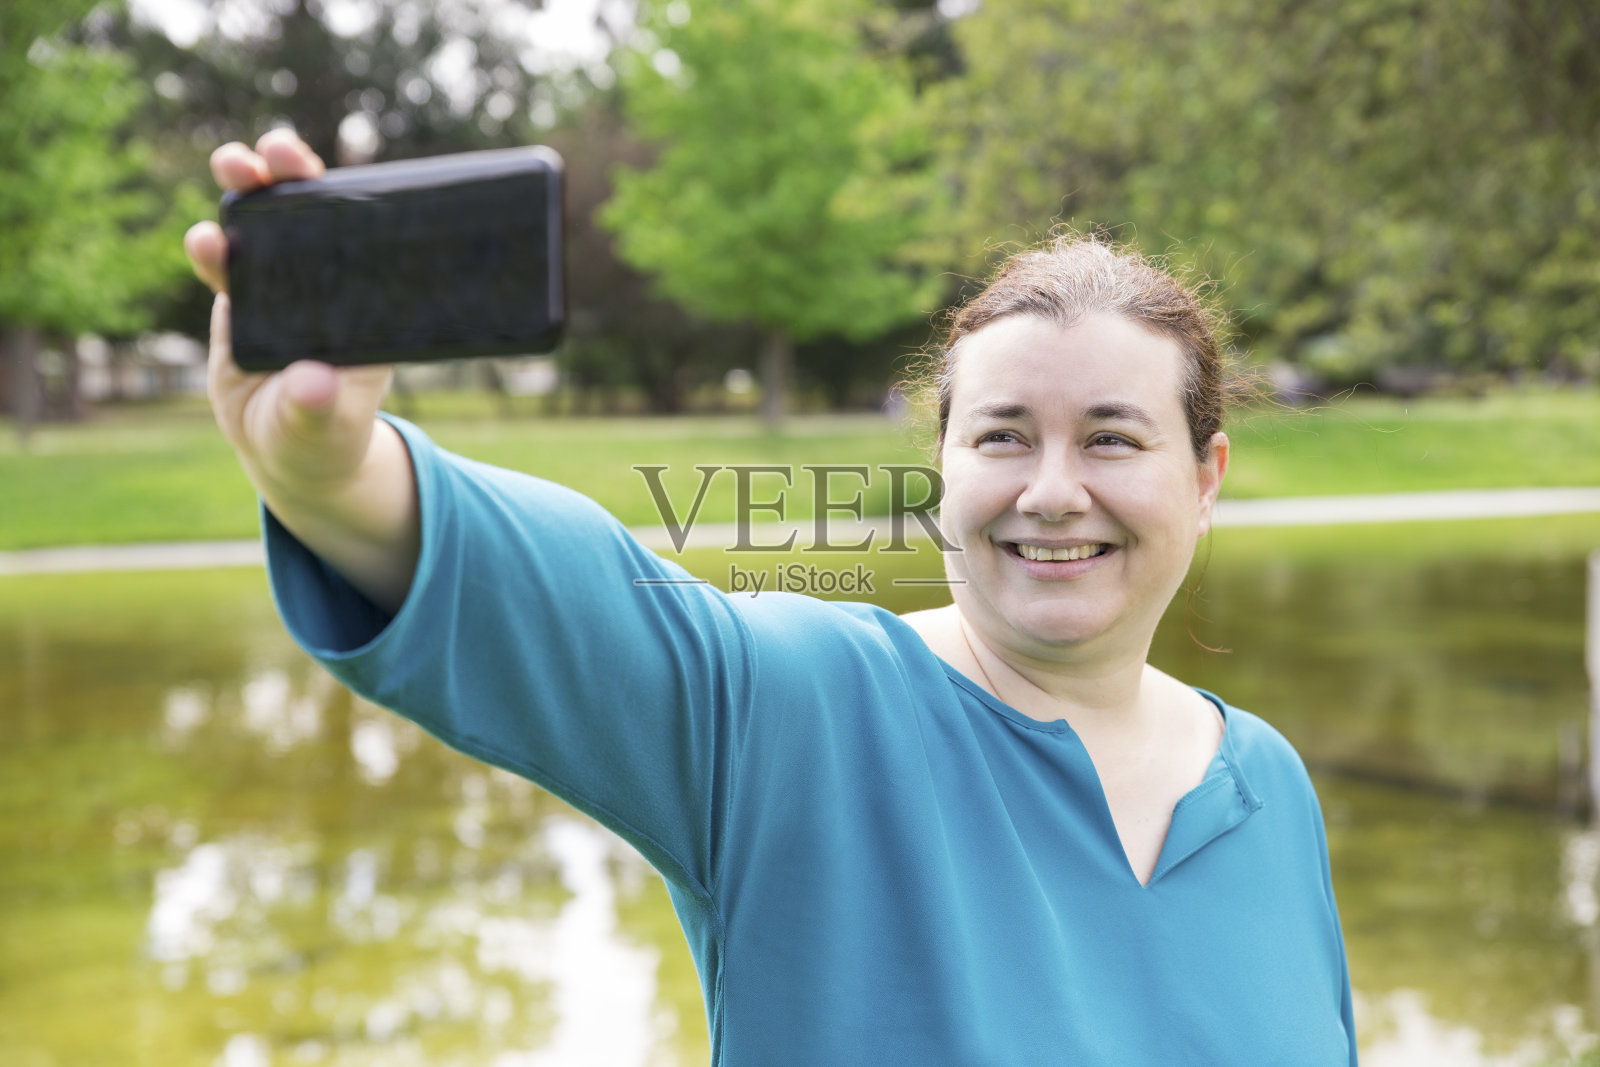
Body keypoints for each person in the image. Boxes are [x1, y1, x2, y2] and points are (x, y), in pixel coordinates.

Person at [186, 129, 1357, 1065]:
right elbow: (568, 601)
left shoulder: (1265, 787)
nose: (1052, 492)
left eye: (1111, 438)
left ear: (1202, 478)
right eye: (1003, 436)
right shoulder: (800, 708)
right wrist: (331, 473)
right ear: (941, 469)